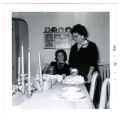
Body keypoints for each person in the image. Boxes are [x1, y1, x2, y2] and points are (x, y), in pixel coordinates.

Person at [69, 24, 99, 88]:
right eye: (73, 36)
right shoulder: (73, 47)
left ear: (82, 36)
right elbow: (71, 63)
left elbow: (93, 62)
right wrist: (72, 75)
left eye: (76, 36)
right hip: (77, 78)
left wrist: (90, 74)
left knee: (89, 96)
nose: (74, 38)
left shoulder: (91, 45)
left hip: (88, 75)